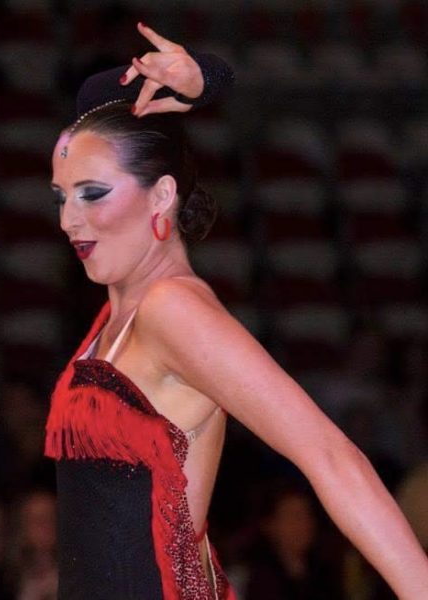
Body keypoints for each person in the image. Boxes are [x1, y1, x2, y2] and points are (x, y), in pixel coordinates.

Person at [44, 22, 428, 599]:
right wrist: (203, 79)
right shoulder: (121, 309)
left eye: (92, 194)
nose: (69, 220)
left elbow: (329, 455)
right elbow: (95, 102)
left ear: (162, 195)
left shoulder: (174, 309)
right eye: (62, 196)